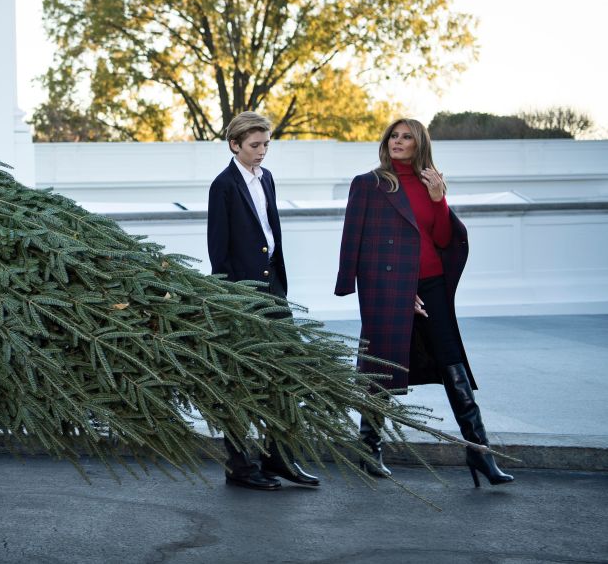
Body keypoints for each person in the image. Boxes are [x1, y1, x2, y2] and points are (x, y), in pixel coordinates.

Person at [334, 118, 514, 487]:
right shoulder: (369, 184)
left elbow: (444, 238)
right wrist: (391, 289)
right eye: (394, 136)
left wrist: (439, 199)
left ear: (420, 145)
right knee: (380, 370)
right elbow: (357, 244)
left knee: (453, 365)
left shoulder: (431, 183)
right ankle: (369, 448)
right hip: (390, 288)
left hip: (432, 287)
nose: (398, 142)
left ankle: (479, 453)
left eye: (407, 137)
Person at [207, 111, 319, 491]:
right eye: (255, 145)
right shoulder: (222, 186)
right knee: (241, 379)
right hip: (241, 293)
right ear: (235, 145)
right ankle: (239, 465)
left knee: (287, 371)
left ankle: (280, 458)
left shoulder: (266, 178)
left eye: (266, 144)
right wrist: (228, 299)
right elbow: (218, 251)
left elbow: (270, 231)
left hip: (273, 290)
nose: (262, 152)